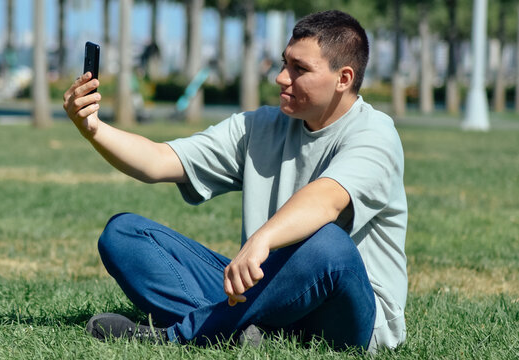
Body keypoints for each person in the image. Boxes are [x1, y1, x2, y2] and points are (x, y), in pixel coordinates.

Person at [62, 10, 407, 352]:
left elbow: (327, 198)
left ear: (343, 78)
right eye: (285, 63)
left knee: (328, 244)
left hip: (347, 318)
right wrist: (93, 129)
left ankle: (179, 335)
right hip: (267, 292)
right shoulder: (257, 127)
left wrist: (263, 239)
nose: (281, 78)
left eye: (299, 69)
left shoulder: (375, 134)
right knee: (124, 235)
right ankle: (252, 331)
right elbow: (158, 160)